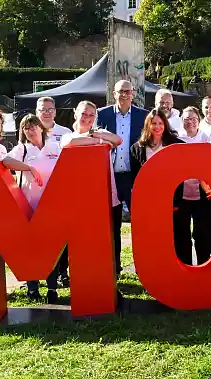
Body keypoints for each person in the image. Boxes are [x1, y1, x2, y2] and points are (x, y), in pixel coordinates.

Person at [60, 101, 123, 284]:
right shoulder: (68, 135)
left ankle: (106, 274)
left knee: (105, 238)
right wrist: (99, 140)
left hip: (105, 195)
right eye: (84, 114)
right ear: (75, 114)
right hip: (81, 198)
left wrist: (96, 135)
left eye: (91, 115)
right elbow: (71, 142)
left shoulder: (101, 132)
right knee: (82, 239)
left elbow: (118, 140)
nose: (87, 118)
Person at [97, 80, 148, 276]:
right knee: (112, 224)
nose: (124, 95)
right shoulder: (102, 115)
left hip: (135, 176)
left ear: (133, 94)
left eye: (128, 91)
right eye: (121, 91)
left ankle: (143, 266)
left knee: (141, 223)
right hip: (110, 176)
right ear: (114, 93)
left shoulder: (143, 116)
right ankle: (115, 266)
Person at [9, 114, 62, 303]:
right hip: (29, 204)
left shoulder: (55, 146)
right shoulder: (22, 149)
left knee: (52, 248)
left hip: (51, 205)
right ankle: (32, 288)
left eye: (33, 127)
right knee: (31, 248)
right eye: (26, 128)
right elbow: (6, 162)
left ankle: (52, 287)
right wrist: (28, 168)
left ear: (41, 127)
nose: (30, 131)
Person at [176, 106, 211, 265]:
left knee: (202, 232)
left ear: (199, 121)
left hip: (201, 193)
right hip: (181, 194)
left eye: (193, 119)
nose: (190, 122)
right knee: (181, 232)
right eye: (186, 119)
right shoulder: (176, 139)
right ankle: (185, 265)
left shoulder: (206, 138)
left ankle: (204, 263)